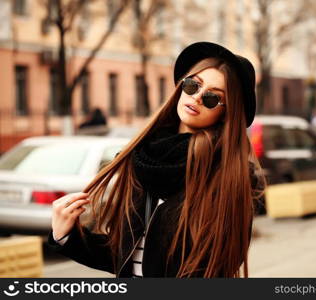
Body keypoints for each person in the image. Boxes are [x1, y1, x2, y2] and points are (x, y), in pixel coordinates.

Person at [47, 41, 266, 278]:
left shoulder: (230, 174)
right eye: (193, 85)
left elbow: (217, 267)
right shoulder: (142, 159)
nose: (198, 97)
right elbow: (123, 258)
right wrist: (65, 234)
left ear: (226, 111)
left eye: (212, 97)